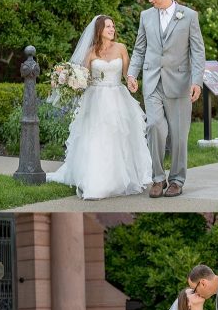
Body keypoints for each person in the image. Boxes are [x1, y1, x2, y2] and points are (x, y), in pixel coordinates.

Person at [47, 15, 153, 199]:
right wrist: (70, 79)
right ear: (99, 30)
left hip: (118, 98)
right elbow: (83, 78)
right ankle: (96, 181)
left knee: (120, 137)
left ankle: (122, 178)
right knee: (97, 138)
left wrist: (132, 82)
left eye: (113, 26)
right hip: (95, 99)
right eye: (108, 27)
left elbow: (128, 75)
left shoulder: (121, 48)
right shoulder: (90, 52)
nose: (112, 29)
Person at [126, 0, 206, 198]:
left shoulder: (189, 16)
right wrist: (132, 73)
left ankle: (177, 180)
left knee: (179, 135)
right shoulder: (145, 16)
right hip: (152, 82)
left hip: (180, 84)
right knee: (154, 126)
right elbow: (139, 48)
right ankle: (158, 178)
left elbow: (197, 52)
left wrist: (197, 81)